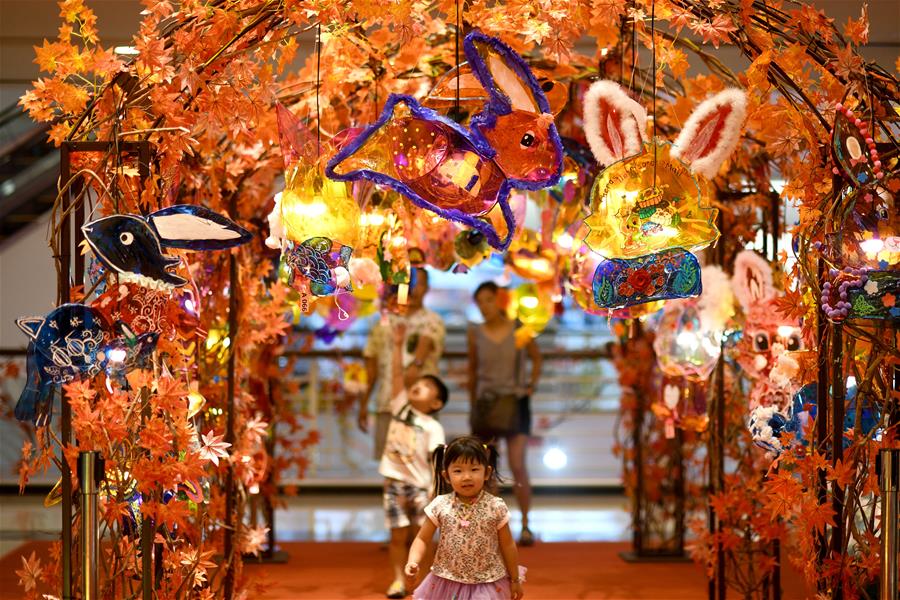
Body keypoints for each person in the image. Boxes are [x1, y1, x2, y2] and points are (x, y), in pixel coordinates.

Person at [468, 281, 542, 546]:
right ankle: (493, 526)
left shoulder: (517, 327)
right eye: (480, 302)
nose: (484, 306)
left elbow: (536, 357)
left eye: (488, 300)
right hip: (486, 403)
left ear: (498, 300)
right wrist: (472, 405)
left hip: (515, 402)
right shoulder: (475, 332)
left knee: (517, 464)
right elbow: (472, 370)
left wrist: (530, 385)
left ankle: (525, 524)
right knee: (488, 468)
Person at [405, 436, 525, 600]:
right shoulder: (440, 505)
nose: (466, 477)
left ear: (487, 473)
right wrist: (413, 561)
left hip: (487, 582)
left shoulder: (495, 506)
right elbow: (422, 539)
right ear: (447, 476)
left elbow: (508, 545)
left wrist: (515, 579)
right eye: (458, 471)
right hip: (447, 580)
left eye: (474, 469)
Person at [380, 321, 448, 599]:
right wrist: (397, 345)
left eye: (427, 386)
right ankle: (397, 580)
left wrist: (435, 490)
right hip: (394, 483)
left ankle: (423, 580)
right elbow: (397, 375)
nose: (418, 385)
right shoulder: (400, 407)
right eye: (418, 383)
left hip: (421, 488)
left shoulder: (433, 427)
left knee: (422, 536)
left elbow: (437, 463)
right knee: (397, 536)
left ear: (436, 403)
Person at [361, 267, 446, 461]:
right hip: (386, 402)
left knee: (425, 462)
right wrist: (364, 402)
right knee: (389, 464)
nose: (413, 288)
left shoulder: (433, 321)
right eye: (408, 283)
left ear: (427, 288)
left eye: (419, 283)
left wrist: (417, 362)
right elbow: (371, 366)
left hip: (422, 408)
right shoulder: (383, 322)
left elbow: (424, 351)